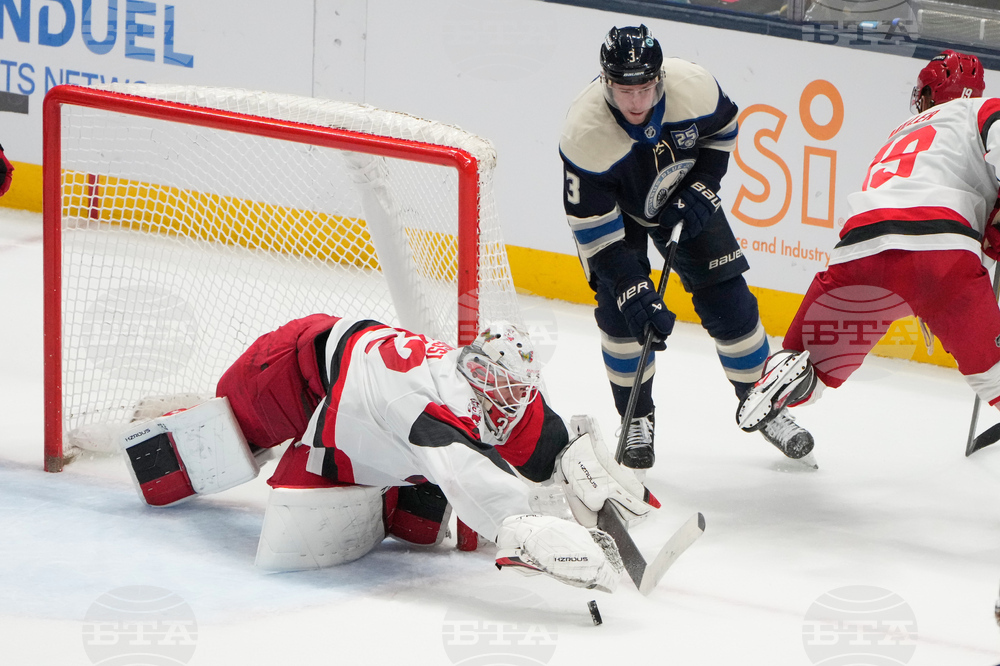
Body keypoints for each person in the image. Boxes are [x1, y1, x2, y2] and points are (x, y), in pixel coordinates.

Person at [120, 314, 657, 593]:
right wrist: (529, 531)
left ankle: (383, 482)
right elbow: (475, 481)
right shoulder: (425, 407)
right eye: (501, 390)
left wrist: (578, 463)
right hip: (291, 370)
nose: (510, 400)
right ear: (475, 373)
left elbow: (538, 434)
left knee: (418, 526)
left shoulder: (493, 381)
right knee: (203, 456)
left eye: (518, 390)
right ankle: (173, 422)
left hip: (353, 395)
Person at [559, 25, 814, 469]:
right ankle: (635, 416)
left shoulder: (693, 87)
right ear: (606, 83)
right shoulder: (584, 134)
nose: (636, 102)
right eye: (624, 90)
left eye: (645, 88)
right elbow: (598, 235)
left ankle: (765, 402)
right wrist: (630, 286)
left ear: (659, 79)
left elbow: (724, 132)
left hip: (682, 191)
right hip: (617, 219)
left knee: (730, 301)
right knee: (624, 316)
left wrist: (702, 186)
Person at [737, 50, 1000, 435]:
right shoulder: (984, 110)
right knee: (994, 378)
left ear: (928, 95)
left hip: (860, 250)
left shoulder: (899, 134)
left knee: (811, 371)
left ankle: (790, 374)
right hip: (942, 252)